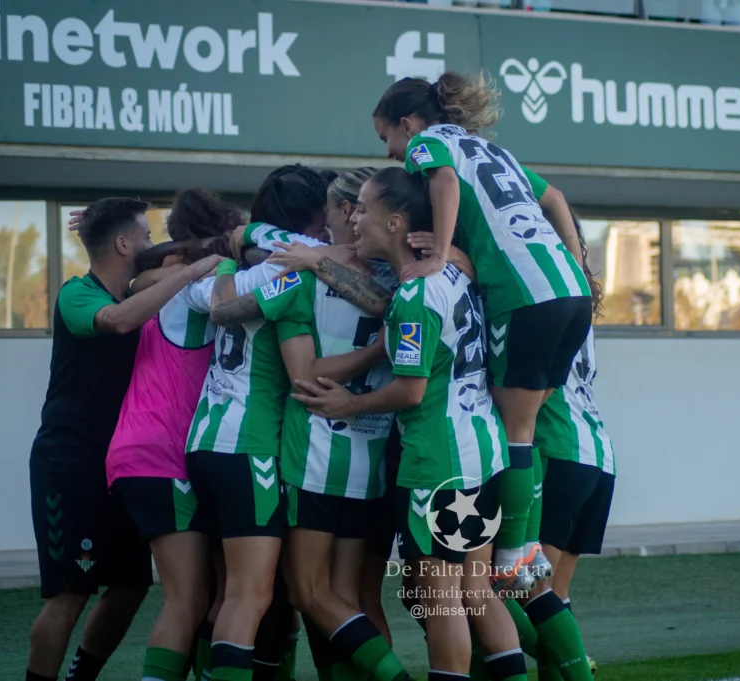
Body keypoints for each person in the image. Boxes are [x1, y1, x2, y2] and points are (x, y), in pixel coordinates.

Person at [292, 167, 526, 681]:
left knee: (440, 599)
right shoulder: (452, 274)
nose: (355, 218)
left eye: (366, 209)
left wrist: (348, 405)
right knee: (475, 590)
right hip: (481, 450)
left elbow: (410, 391)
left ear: (396, 223)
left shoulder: (413, 298)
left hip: (436, 461)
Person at [372, 72, 592, 591]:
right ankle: (528, 545)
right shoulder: (493, 151)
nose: (392, 155)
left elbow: (444, 182)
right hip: (568, 291)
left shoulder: (428, 144)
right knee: (529, 423)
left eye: (386, 139)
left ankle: (514, 553)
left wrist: (443, 254)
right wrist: (577, 266)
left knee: (516, 428)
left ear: (407, 124)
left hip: (524, 296)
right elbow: (556, 197)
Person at [209, 166, 413, 681]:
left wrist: (210, 271)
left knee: (307, 593)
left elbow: (229, 314)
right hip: (371, 458)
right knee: (349, 598)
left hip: (315, 454)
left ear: (344, 212)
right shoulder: (403, 277)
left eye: (335, 209)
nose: (324, 222)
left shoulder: (300, 274)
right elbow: (384, 304)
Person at [27, 197, 222, 681]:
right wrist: (192, 269)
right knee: (71, 592)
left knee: (131, 585)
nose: (154, 245)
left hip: (126, 468)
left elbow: (158, 271)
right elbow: (119, 320)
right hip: (70, 465)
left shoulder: (139, 289)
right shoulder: (79, 293)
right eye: (145, 235)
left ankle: (81, 674)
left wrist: (202, 254)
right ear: (121, 244)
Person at [103, 189, 244, 681]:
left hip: (150, 456)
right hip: (160, 457)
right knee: (189, 599)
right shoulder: (196, 291)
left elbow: (144, 266)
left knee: (206, 592)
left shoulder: (155, 285)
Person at [507, 212, 613, 681]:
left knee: (521, 590)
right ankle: (569, 665)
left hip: (558, 451)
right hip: (596, 456)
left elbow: (540, 387)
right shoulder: (576, 295)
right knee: (552, 597)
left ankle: (573, 666)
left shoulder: (542, 296)